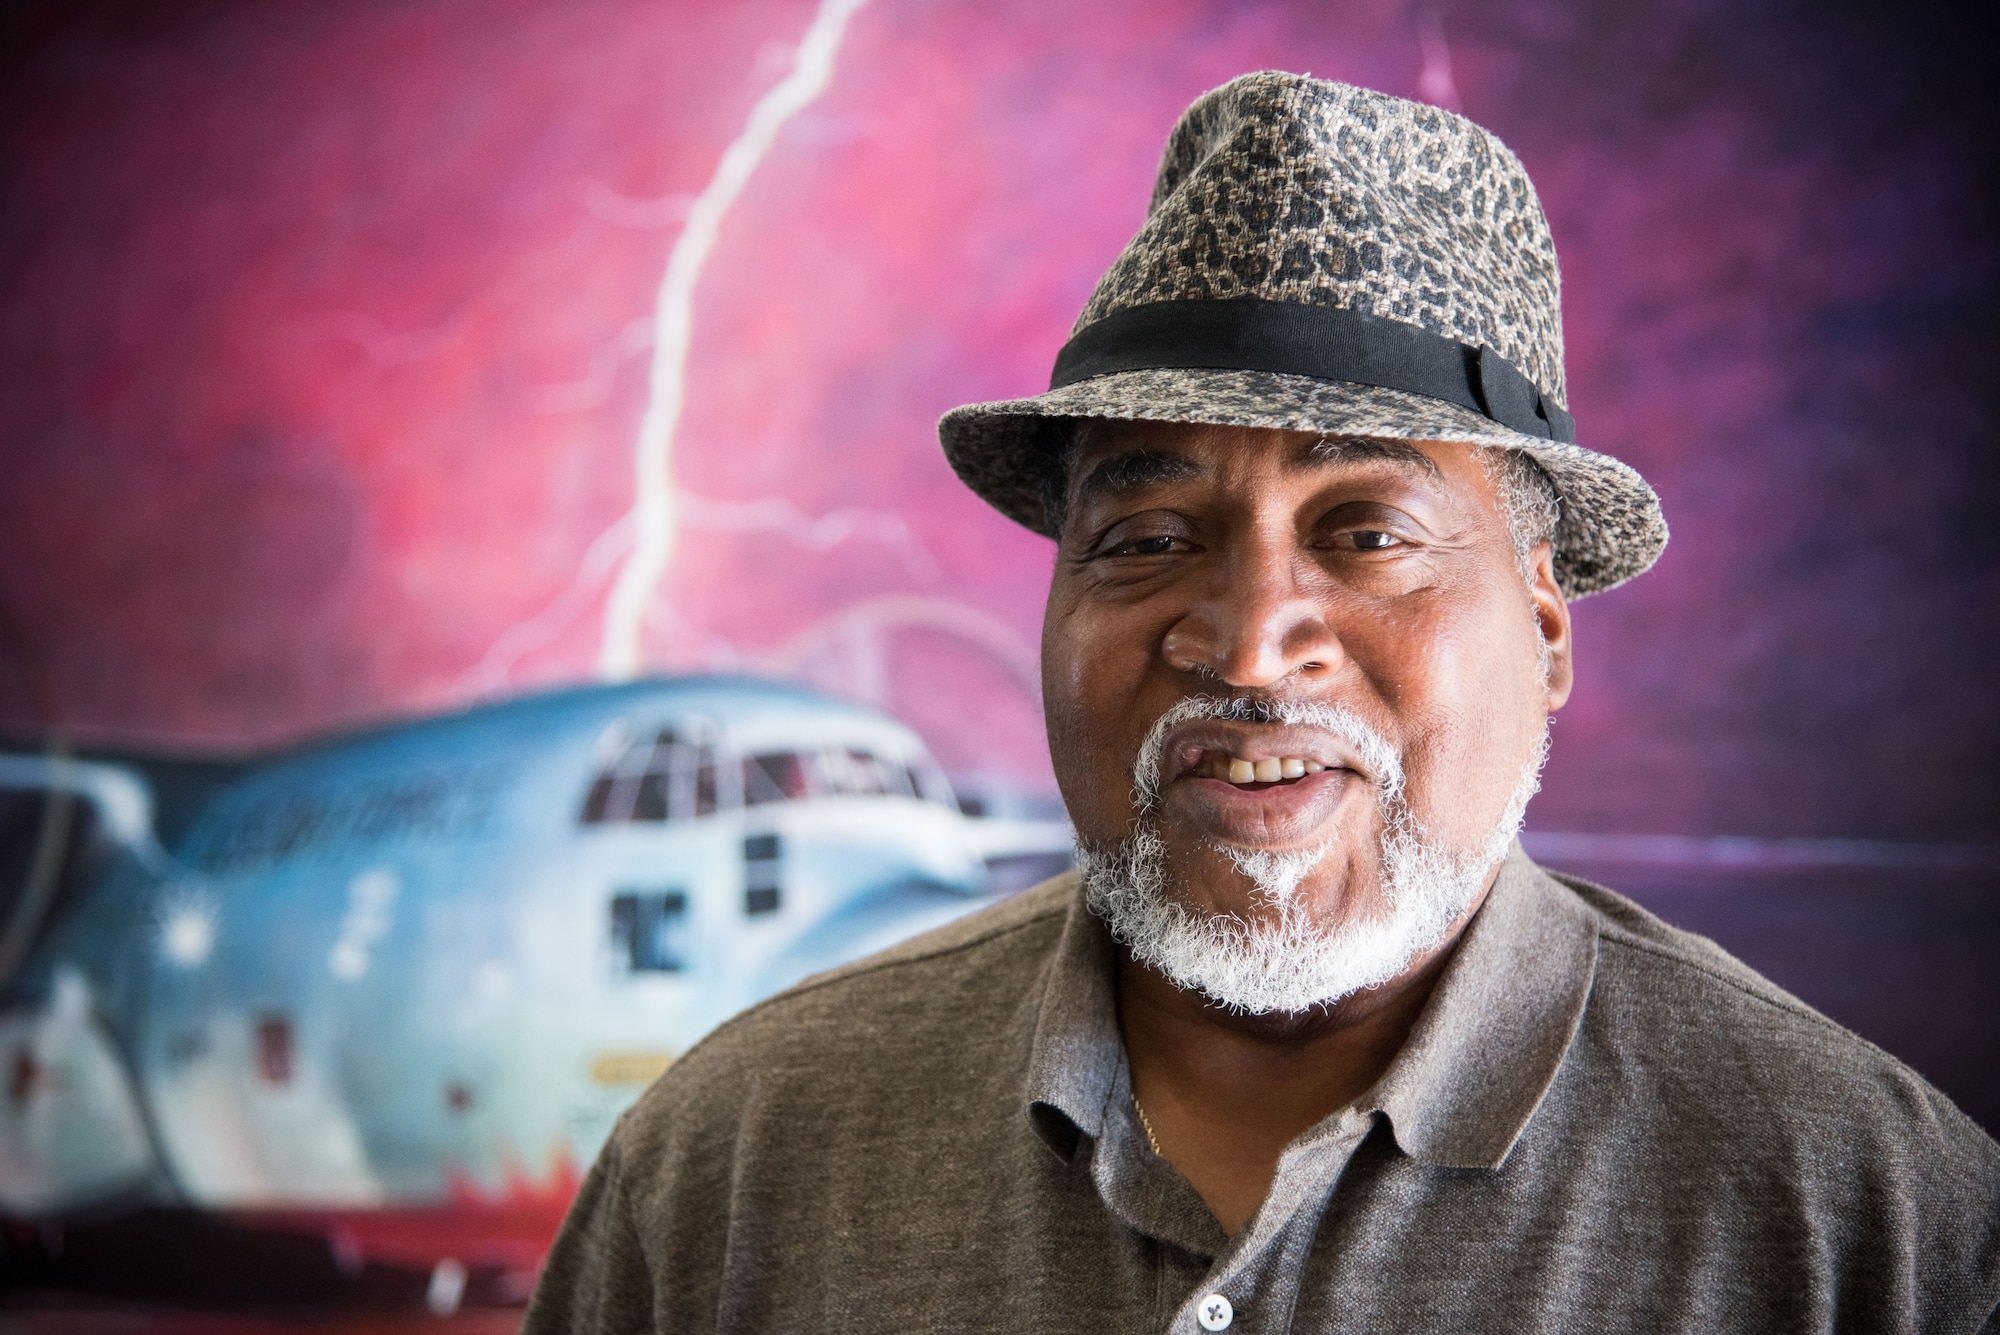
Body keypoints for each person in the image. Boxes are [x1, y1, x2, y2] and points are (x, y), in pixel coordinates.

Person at [525, 72, 2000, 1333]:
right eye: (1149, 541)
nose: (1246, 646)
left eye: (1365, 533)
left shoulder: (1864, 1218)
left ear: (1545, 628)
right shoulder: (730, 1171)